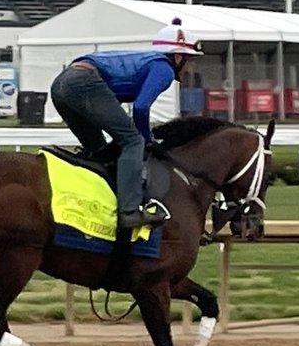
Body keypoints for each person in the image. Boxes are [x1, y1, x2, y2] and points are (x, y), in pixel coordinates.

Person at [49, 18, 201, 230]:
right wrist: (147, 141)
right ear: (177, 57)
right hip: (81, 82)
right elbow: (140, 107)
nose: (189, 68)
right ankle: (129, 212)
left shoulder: (146, 61)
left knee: (99, 151)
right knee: (133, 142)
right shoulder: (163, 69)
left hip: (60, 84)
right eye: (189, 61)